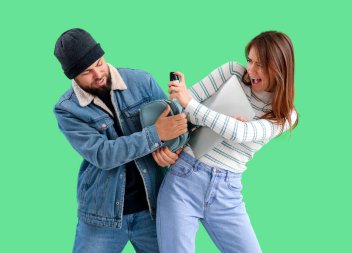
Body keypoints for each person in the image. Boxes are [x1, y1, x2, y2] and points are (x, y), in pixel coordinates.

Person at [154, 31, 299, 253]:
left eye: (260, 64)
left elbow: (240, 132)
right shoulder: (232, 72)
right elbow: (182, 112)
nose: (251, 70)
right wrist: (212, 116)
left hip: (227, 193)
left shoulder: (285, 114)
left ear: (279, 68)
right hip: (184, 179)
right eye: (250, 60)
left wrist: (196, 107)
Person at [53, 28, 187, 253]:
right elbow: (103, 154)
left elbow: (177, 126)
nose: (98, 74)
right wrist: (156, 135)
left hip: (153, 209)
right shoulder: (67, 109)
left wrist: (174, 151)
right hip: (101, 215)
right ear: (73, 76)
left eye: (99, 63)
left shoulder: (141, 81)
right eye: (87, 72)